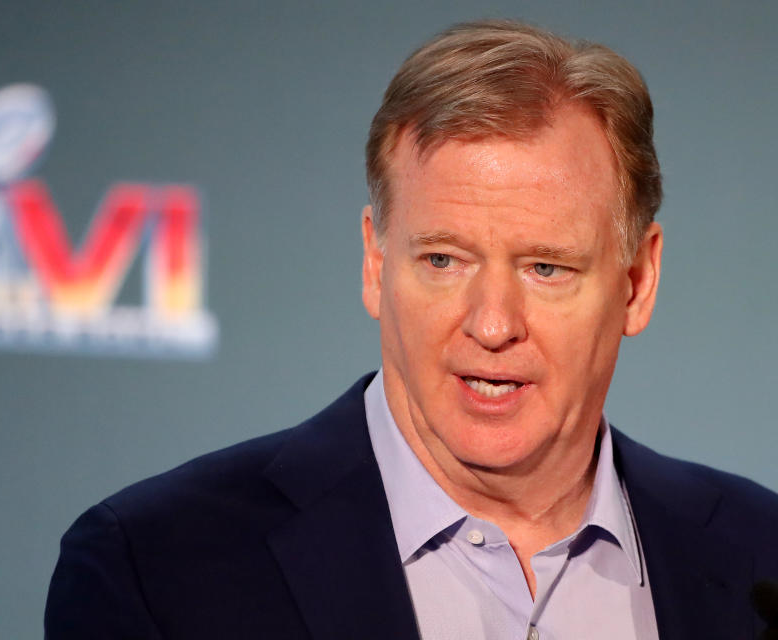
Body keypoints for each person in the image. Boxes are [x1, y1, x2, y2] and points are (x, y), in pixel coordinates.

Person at [44, 20, 778, 639]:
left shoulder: (760, 556)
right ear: (374, 262)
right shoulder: (155, 569)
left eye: (546, 268)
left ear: (637, 283)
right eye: (443, 259)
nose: (492, 325)